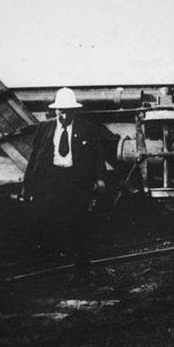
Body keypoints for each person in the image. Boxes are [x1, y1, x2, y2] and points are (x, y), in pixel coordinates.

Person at [24, 87, 105, 277]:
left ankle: (80, 273)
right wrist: (28, 185)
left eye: (68, 111)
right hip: (51, 183)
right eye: (61, 111)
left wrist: (99, 181)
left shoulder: (87, 129)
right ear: (55, 111)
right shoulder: (45, 128)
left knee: (77, 226)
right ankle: (52, 273)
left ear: (74, 111)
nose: (64, 115)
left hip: (76, 184)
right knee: (50, 226)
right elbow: (35, 158)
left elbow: (97, 158)